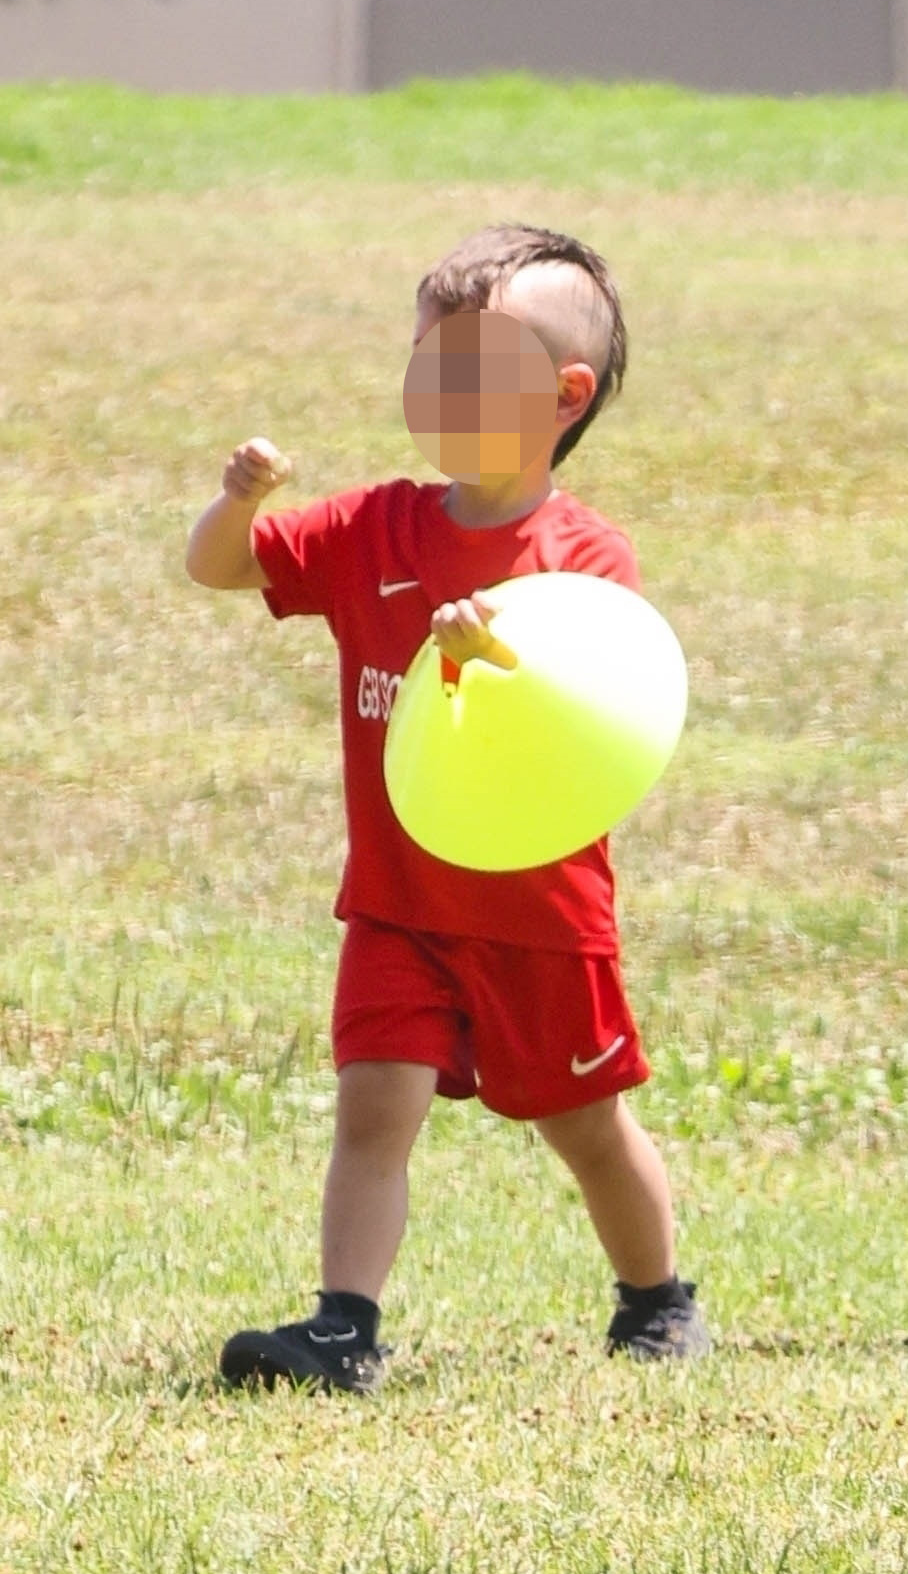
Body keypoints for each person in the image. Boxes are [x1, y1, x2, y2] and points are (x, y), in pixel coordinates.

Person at [184, 221, 707, 1391]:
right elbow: (221, 568)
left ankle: (657, 1299)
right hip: (399, 900)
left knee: (584, 1127)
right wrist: (236, 502)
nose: (435, 390)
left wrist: (492, 659)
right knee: (373, 1110)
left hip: (536, 909)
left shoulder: (584, 563)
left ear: (563, 395)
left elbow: (594, 709)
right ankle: (342, 1329)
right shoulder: (373, 525)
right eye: (429, 363)